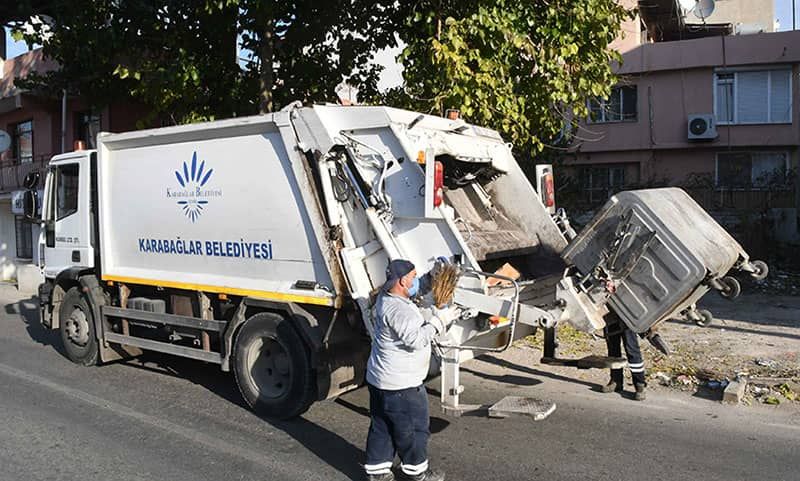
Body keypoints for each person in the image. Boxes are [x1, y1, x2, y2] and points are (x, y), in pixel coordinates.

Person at [364, 259, 456, 481]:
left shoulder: (388, 296)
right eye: (414, 278)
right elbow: (415, 339)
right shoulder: (397, 310)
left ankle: (377, 472)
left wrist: (430, 278)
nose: (416, 281)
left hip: (380, 380)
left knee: (382, 425)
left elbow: (413, 292)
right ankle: (418, 473)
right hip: (401, 386)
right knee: (415, 429)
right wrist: (438, 321)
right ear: (403, 281)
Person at [601, 313, 647, 401]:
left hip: (627, 314)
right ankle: (616, 380)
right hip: (609, 313)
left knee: (632, 350)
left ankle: (640, 385)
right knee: (613, 349)